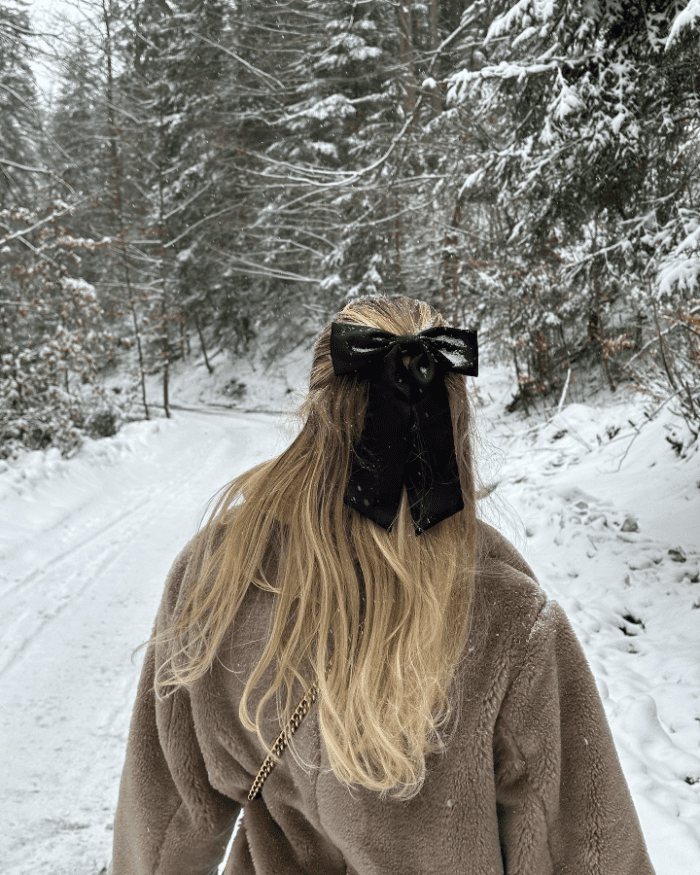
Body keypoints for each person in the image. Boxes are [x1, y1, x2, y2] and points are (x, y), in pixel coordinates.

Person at [110, 295, 654, 875]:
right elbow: (586, 843)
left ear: (314, 413)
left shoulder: (217, 576)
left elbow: (163, 821)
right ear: (454, 419)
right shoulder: (509, 615)